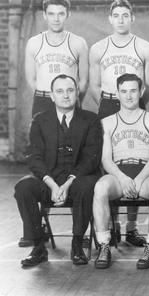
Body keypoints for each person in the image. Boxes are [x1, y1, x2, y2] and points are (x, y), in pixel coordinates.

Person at [14, 74, 102, 267]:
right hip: (50, 179)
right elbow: (34, 157)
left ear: (77, 93)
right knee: (23, 187)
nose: (66, 95)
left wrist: (69, 182)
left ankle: (77, 244)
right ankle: (38, 247)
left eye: (70, 90)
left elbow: (91, 158)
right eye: (60, 91)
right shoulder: (40, 120)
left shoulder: (91, 120)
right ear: (52, 96)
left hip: (78, 179)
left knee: (86, 186)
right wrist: (52, 184)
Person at [89, 0, 149, 247]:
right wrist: (111, 104)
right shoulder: (99, 48)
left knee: (135, 159)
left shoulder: (144, 47)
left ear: (132, 18)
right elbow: (94, 86)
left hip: (135, 104)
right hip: (108, 103)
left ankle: (131, 228)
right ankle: (113, 226)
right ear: (110, 19)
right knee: (112, 164)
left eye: (125, 15)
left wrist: (133, 103)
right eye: (116, 15)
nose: (120, 20)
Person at [92, 74, 149, 269]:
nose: (129, 96)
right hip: (118, 172)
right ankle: (104, 244)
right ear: (117, 94)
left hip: (144, 171)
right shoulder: (106, 122)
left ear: (141, 92)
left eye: (133, 90)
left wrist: (140, 179)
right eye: (123, 91)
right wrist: (123, 179)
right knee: (100, 188)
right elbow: (106, 159)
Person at [25, 0, 89, 117]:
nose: (56, 19)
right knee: (42, 136)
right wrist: (47, 96)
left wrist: (70, 98)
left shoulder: (78, 43)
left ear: (68, 15)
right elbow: (31, 80)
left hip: (69, 101)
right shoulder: (34, 43)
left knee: (72, 137)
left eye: (61, 14)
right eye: (51, 14)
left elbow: (84, 82)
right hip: (43, 101)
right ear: (44, 15)